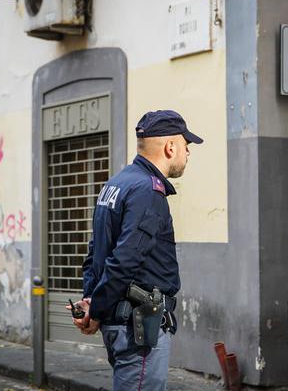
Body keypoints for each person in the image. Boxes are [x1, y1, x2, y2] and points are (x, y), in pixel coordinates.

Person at [70, 110, 203, 391]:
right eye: (186, 145)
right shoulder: (148, 191)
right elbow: (125, 259)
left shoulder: (117, 182)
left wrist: (92, 299)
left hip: (121, 321)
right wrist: (97, 310)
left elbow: (96, 252)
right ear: (170, 148)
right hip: (137, 327)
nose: (188, 152)